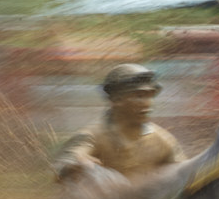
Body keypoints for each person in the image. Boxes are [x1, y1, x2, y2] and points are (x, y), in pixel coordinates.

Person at [53, 63, 186, 181]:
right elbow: (65, 164)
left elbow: (184, 175)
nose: (148, 103)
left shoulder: (163, 140)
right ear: (116, 100)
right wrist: (77, 164)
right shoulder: (93, 136)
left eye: (150, 95)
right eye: (139, 96)